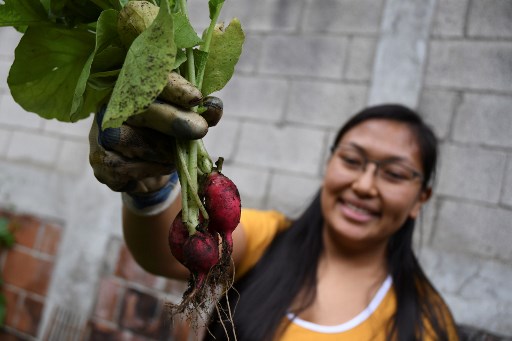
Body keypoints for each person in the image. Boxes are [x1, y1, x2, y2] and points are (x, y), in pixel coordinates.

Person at [89, 75, 459, 341]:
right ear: (330, 164)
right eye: (352, 160)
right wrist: (151, 190)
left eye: (393, 173)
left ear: (420, 199)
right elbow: (165, 255)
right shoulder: (271, 238)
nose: (364, 185)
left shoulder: (429, 323)